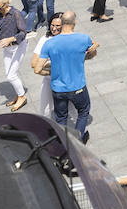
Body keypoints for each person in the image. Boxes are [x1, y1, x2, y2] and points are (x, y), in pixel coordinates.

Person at [36, 11, 98, 143]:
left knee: (61, 118)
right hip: (78, 88)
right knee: (83, 112)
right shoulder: (83, 38)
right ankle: (78, 141)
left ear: (62, 23)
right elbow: (92, 54)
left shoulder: (50, 43)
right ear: (74, 23)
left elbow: (37, 68)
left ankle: (63, 143)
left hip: (58, 89)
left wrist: (52, 73)